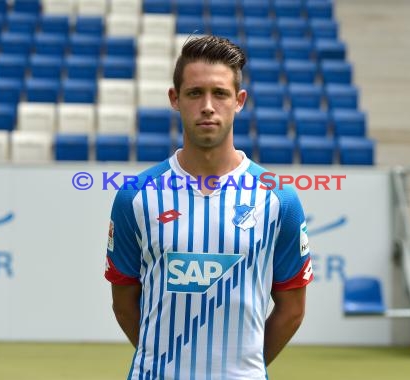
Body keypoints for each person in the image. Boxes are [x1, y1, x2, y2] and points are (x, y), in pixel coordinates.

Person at [104, 35, 313, 380]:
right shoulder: (136, 196)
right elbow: (124, 302)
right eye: (194, 93)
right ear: (175, 99)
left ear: (239, 100)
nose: (207, 106)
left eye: (220, 93)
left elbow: (292, 310)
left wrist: (243, 369)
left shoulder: (279, 200)